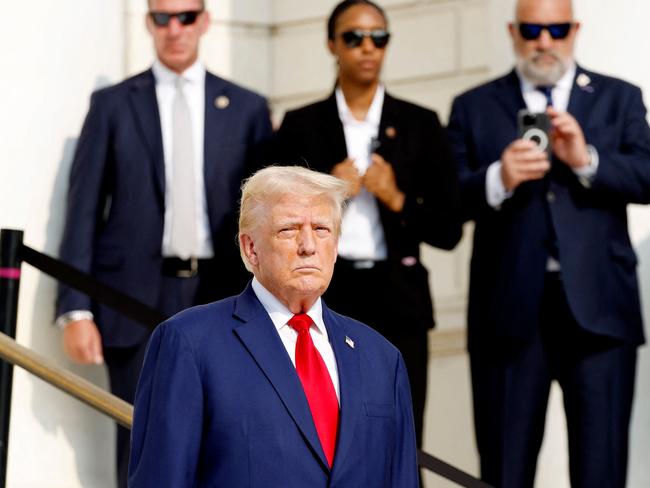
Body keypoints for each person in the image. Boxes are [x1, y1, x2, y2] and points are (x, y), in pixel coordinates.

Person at [55, 0, 272, 486]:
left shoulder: (247, 107)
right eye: (162, 17)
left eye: (187, 16)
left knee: (229, 438)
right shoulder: (112, 104)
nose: (175, 29)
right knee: (139, 440)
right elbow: (84, 207)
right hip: (129, 298)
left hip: (222, 293)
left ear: (206, 21)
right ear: (149, 22)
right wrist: (76, 309)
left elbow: (264, 212)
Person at [447, 0, 650, 486]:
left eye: (556, 28)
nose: (544, 41)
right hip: (508, 314)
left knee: (602, 470)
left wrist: (587, 160)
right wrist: (499, 177)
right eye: (533, 29)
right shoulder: (473, 104)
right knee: (504, 469)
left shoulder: (618, 97)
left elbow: (646, 177)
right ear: (513, 32)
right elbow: (446, 200)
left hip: (599, 314)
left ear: (575, 30)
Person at [127, 166, 419, 487]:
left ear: (335, 247)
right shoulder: (189, 343)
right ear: (251, 248)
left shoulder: (381, 358)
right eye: (289, 230)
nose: (308, 245)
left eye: (321, 229)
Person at [272, 0, 462, 451]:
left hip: (399, 297)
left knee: (401, 437)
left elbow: (449, 228)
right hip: (322, 297)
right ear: (332, 44)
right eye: (354, 37)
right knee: (321, 435)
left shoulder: (420, 123)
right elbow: (273, 215)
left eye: (378, 37)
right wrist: (327, 191)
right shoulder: (300, 127)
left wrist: (396, 197)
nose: (367, 47)